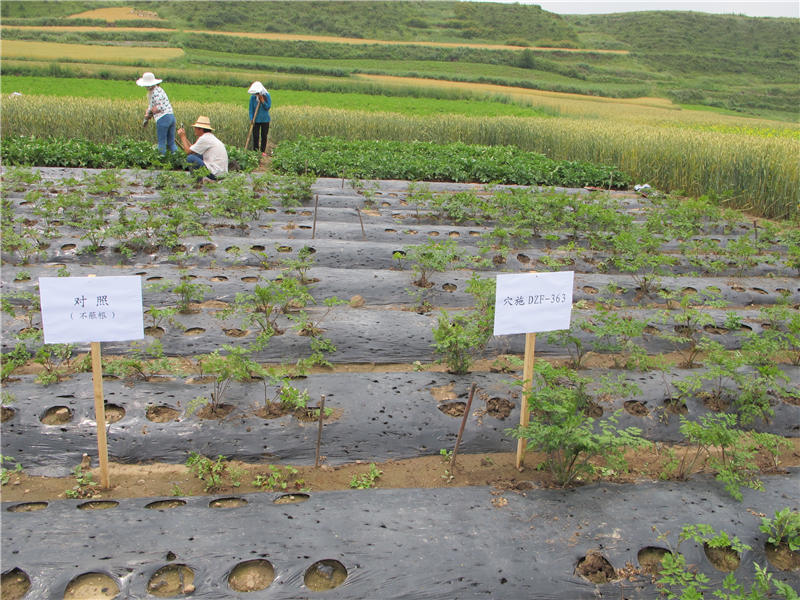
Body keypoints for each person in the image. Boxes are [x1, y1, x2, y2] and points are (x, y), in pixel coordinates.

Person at [136, 72, 177, 155]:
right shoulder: (158, 90)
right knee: (171, 143)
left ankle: (161, 162)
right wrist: (147, 115)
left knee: (161, 143)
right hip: (171, 117)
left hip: (163, 118)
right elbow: (151, 106)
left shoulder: (155, 92)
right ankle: (177, 159)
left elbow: (159, 107)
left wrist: (150, 112)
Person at [176, 116, 229, 180]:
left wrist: (182, 137)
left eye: (195, 128)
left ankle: (198, 181)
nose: (194, 130)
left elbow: (187, 151)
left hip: (215, 173)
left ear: (200, 129)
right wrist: (185, 138)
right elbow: (192, 149)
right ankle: (206, 179)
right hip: (221, 172)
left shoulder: (204, 138)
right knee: (197, 155)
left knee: (190, 158)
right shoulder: (209, 137)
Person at [247, 81, 271, 156]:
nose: (257, 94)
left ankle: (262, 151)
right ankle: (255, 151)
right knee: (255, 136)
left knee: (264, 135)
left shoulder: (267, 96)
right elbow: (251, 109)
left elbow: (267, 107)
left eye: (258, 93)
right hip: (256, 120)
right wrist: (251, 118)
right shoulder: (253, 97)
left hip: (265, 120)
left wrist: (263, 101)